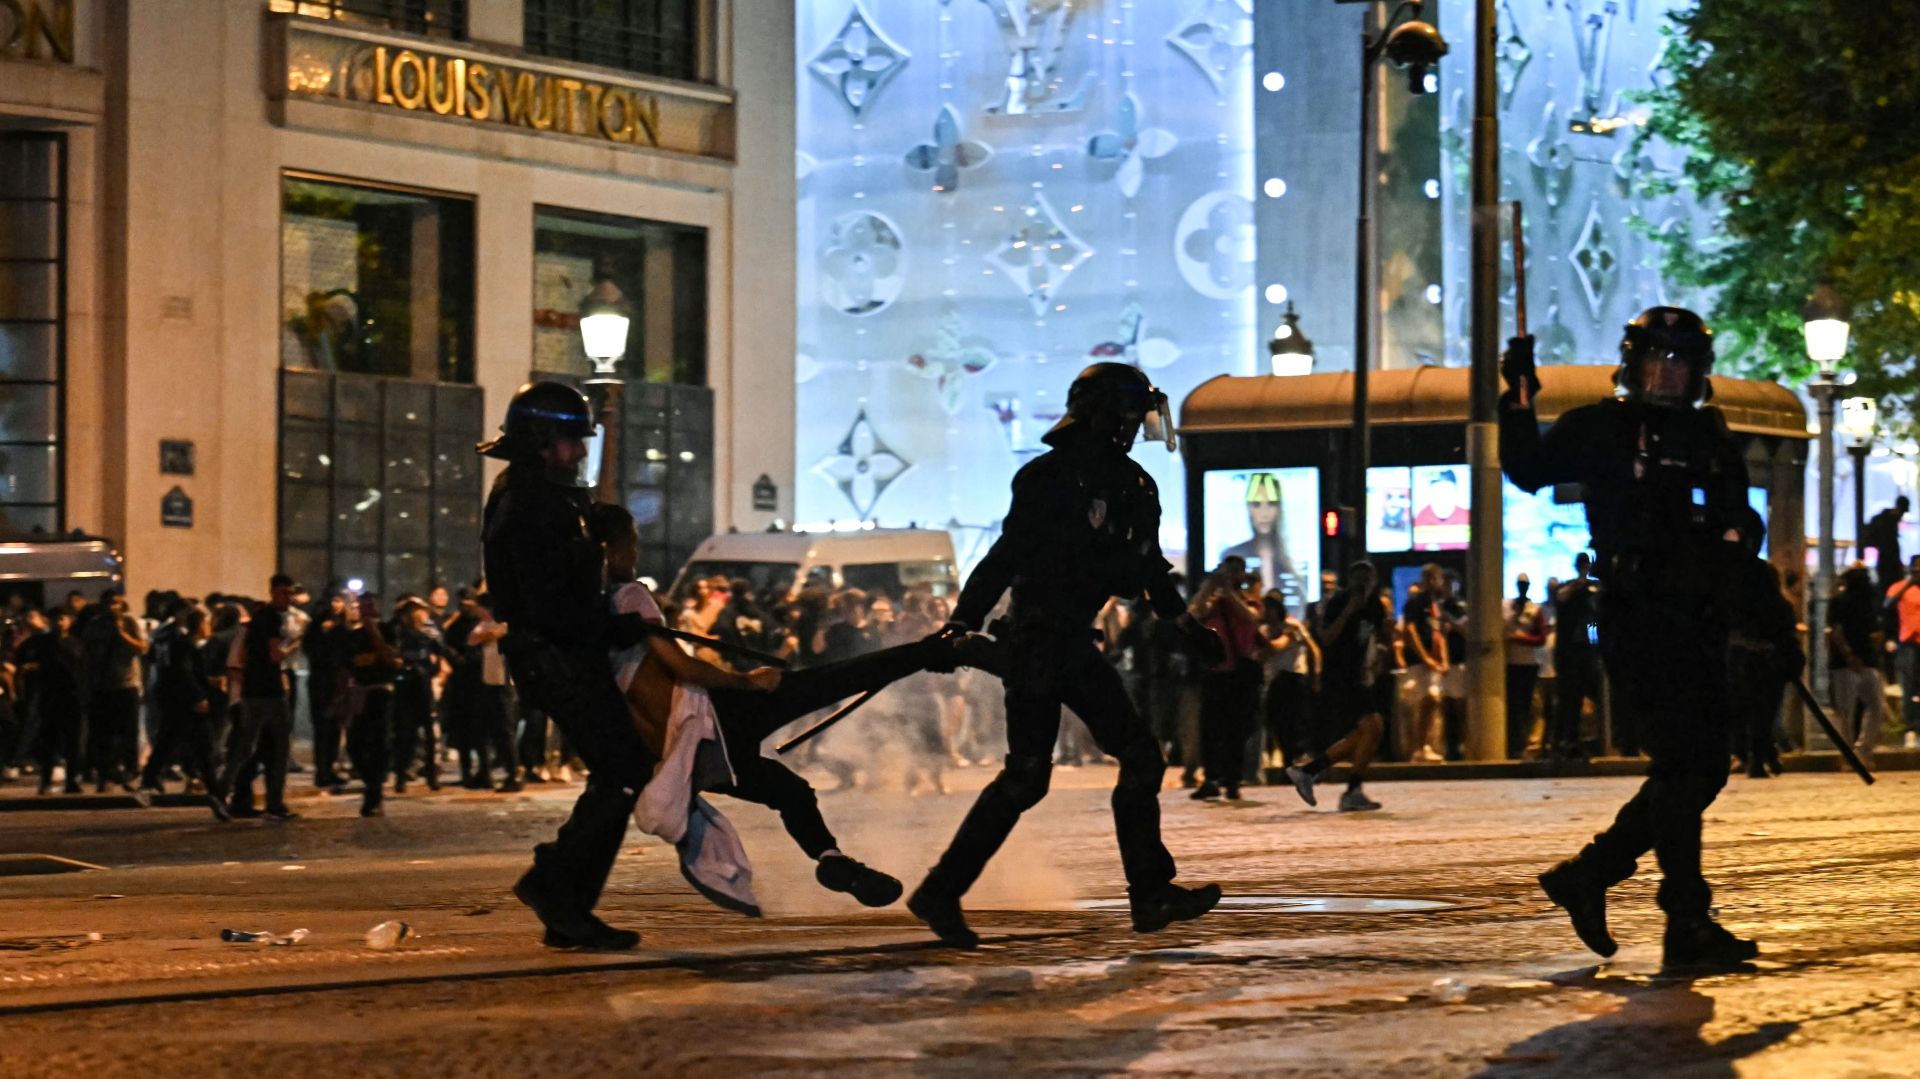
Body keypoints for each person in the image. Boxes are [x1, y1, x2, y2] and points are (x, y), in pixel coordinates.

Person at [907, 362, 1223, 949]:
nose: (1136, 428)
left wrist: (1186, 626)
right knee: (1135, 755)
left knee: (1029, 778)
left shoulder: (1127, 486)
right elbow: (1005, 559)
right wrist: (960, 622)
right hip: (1047, 640)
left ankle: (941, 891)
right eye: (1130, 415)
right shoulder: (1055, 480)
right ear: (1106, 415)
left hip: (1049, 642)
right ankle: (1150, 893)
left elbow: (1149, 573)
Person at [1502, 305, 1758, 971]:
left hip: (1699, 618)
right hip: (1638, 615)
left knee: (1698, 766)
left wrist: (1740, 561)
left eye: (1680, 360)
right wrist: (1518, 397)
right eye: (1657, 357)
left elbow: (1741, 518)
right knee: (1685, 763)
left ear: (1698, 370)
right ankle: (1685, 919)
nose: (1668, 372)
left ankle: (1594, 874)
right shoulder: (1602, 426)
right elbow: (1528, 467)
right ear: (1634, 360)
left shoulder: (1710, 433)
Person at [483, 382, 703, 950]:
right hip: (559, 658)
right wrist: (620, 627)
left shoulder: (540, 496)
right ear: (539, 442)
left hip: (561, 655)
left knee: (621, 768)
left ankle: (561, 896)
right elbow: (553, 605)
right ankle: (557, 890)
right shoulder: (531, 505)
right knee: (625, 767)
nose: (580, 454)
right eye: (570, 442)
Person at [1285, 561, 1386, 812]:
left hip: (1358, 677)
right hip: (1339, 677)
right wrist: (1348, 611)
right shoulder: (1339, 602)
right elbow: (1327, 638)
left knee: (1361, 735)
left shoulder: (1375, 606)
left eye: (1367, 578)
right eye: (1358, 578)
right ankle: (1352, 791)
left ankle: (1308, 772)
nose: (1363, 584)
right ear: (1349, 580)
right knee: (1373, 728)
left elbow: (1376, 638)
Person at [216, 575, 302, 821]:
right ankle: (274, 802)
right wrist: (293, 647)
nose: (289, 598)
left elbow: (243, 657)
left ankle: (221, 791)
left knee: (246, 745)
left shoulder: (254, 622)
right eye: (284, 593)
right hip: (270, 691)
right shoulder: (272, 619)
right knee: (278, 747)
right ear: (274, 593)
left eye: (290, 593)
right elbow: (276, 656)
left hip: (253, 691)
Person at [1726, 518, 1801, 779]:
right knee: (1759, 711)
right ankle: (1760, 755)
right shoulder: (1752, 578)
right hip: (1754, 658)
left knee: (1754, 711)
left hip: (1752, 657)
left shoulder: (1745, 575)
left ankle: (1758, 756)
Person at [1188, 557, 1264, 801]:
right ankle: (1210, 779)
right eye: (1226, 571)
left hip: (1239, 675)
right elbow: (1192, 615)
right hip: (1214, 672)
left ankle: (1232, 781)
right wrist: (1209, 588)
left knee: (1236, 730)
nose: (1230, 575)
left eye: (1235, 572)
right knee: (1209, 729)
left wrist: (1228, 592)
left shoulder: (1250, 599)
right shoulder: (1214, 602)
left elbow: (1251, 617)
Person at [79, 588, 147, 792]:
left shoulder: (130, 623)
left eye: (117, 603)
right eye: (109, 603)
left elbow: (142, 647)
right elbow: (86, 655)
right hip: (101, 686)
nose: (113, 607)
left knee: (128, 732)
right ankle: (105, 774)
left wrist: (122, 634)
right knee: (103, 733)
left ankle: (130, 771)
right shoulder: (94, 626)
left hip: (126, 684)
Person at [1828, 563, 1888, 766]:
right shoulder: (1868, 603)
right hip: (1863, 661)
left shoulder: (1838, 601)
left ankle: (1852, 754)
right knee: (1874, 707)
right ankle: (1862, 751)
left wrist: (1848, 655)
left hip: (1845, 663)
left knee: (1848, 712)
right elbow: (1875, 634)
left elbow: (1835, 631)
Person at [18, 608, 84, 795]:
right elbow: (22, 659)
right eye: (55, 619)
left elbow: (83, 667)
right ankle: (45, 780)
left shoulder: (75, 643)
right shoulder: (41, 642)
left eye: (63, 618)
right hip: (49, 695)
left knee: (72, 741)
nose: (59, 623)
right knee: (49, 739)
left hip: (72, 695)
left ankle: (72, 780)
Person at [1219, 472, 1303, 603]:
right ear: (1248, 507)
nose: (1264, 513)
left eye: (1271, 503)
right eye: (1257, 504)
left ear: (1279, 507)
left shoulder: (1294, 560)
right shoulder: (1232, 555)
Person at [1551, 554, 1603, 759]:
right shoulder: (1570, 588)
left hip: (1588, 649)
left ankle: (1587, 739)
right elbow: (1561, 597)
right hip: (1570, 651)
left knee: (1589, 696)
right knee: (1569, 699)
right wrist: (1579, 584)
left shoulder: (1594, 589)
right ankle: (1567, 741)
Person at [1258, 592, 1318, 769]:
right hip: (1273, 680)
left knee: (1293, 726)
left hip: (1292, 679)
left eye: (1271, 608)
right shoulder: (1265, 629)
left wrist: (1316, 676)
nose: (1267, 612)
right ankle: (1287, 763)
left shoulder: (1290, 626)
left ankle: (1298, 765)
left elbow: (1277, 647)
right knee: (1277, 724)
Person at [1401, 565, 1450, 762]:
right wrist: (1426, 658)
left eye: (1436, 578)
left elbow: (1439, 633)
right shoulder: (1415, 602)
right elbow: (1411, 631)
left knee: (1432, 703)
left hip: (1435, 661)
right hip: (1420, 662)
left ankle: (1425, 745)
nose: (1434, 582)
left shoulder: (1436, 604)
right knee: (1427, 699)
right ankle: (1419, 747)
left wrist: (1444, 659)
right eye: (1430, 578)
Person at [1505, 575, 1547, 760]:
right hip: (1510, 663)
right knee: (1513, 708)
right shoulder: (1507, 608)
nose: (1522, 588)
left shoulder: (1535, 609)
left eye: (1525, 585)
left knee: (1528, 706)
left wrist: (1516, 639)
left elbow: (1541, 638)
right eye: (1520, 585)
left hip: (1529, 665)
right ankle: (1514, 745)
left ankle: (1525, 744)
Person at [1884, 555, 1920, 737]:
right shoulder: (1900, 587)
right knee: (1909, 685)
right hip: (1909, 643)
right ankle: (1911, 724)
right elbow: (1887, 605)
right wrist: (1908, 583)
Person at [1863, 496, 1908, 590]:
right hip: (1888, 561)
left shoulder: (1883, 519)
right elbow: (1890, 547)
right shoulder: (1889, 524)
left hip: (1885, 560)